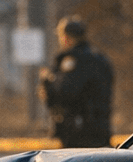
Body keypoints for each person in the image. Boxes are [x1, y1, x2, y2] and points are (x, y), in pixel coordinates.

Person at [40, 16, 114, 148]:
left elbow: (64, 93)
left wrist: (47, 83)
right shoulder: (99, 58)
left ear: (66, 37)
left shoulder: (73, 61)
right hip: (101, 127)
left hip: (77, 131)